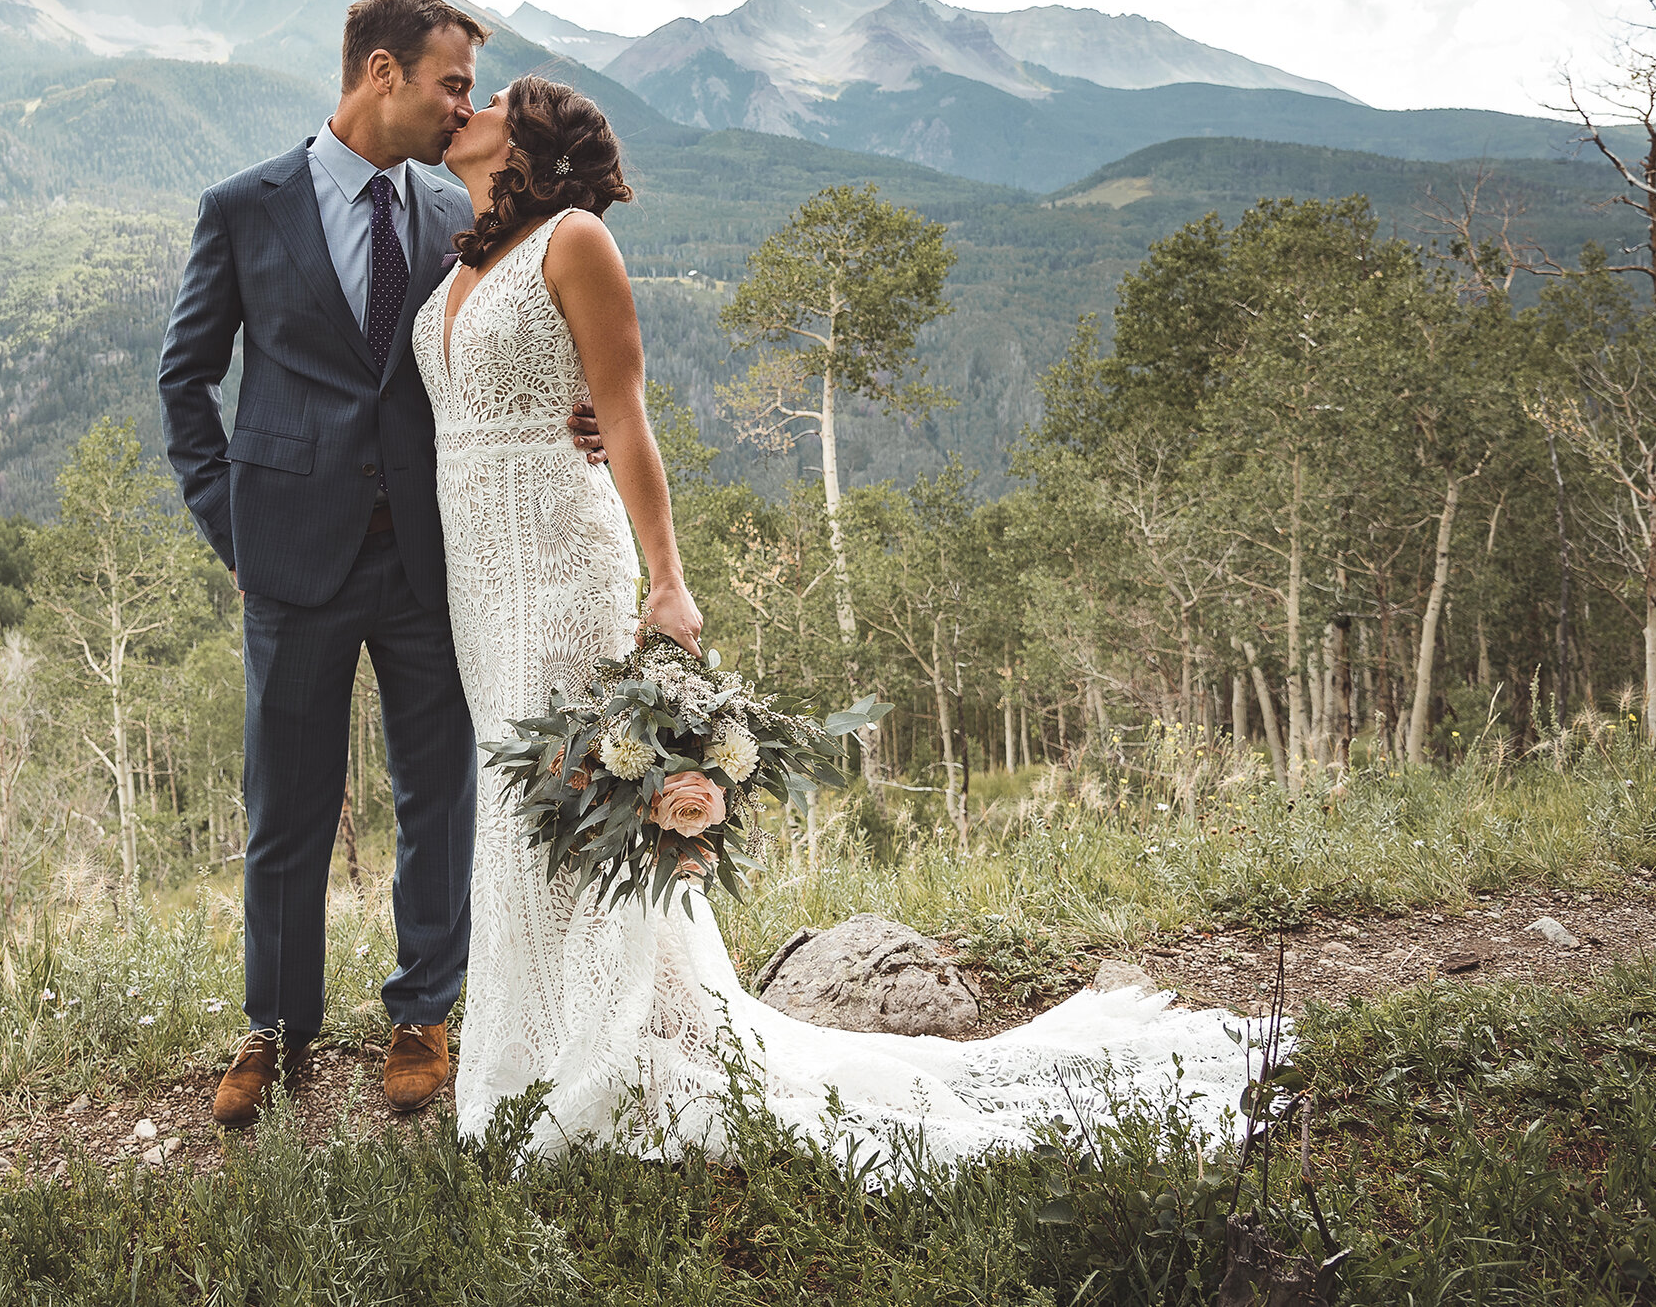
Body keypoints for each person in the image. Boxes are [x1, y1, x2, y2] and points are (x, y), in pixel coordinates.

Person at [420, 75, 1254, 1162]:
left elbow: (624, 419)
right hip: (478, 573)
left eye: (488, 101)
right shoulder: (466, 253)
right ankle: (534, 1041)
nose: (465, 108)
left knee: (569, 800)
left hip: (558, 561)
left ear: (525, 144)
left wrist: (667, 583)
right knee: (515, 794)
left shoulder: (575, 241)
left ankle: (594, 1050)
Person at [157, 0, 599, 1129]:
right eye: (452, 83)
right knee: (286, 807)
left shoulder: (457, 209)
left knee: (437, 789)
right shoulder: (242, 208)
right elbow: (185, 381)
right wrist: (232, 531)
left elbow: (535, 322)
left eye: (472, 91)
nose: (464, 106)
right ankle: (274, 1025)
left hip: (429, 560)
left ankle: (424, 1009)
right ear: (383, 74)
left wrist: (584, 406)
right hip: (290, 560)